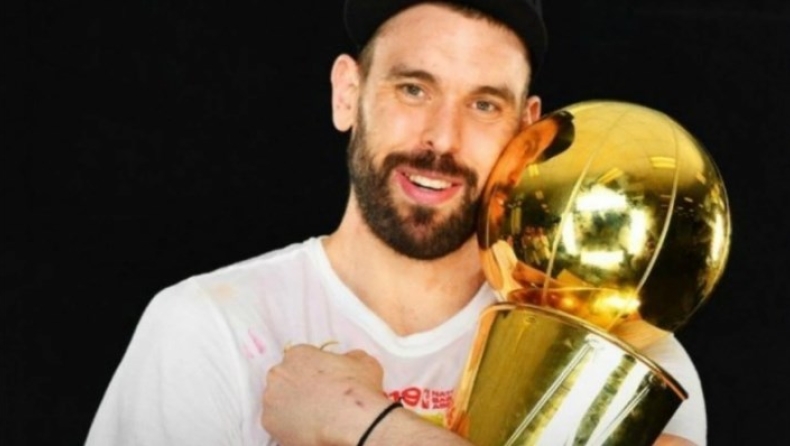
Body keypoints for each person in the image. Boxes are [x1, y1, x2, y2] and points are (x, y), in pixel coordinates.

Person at [84, 1, 707, 445]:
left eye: (484, 104)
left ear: (527, 133)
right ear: (347, 95)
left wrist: (364, 422)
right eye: (413, 89)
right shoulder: (210, 325)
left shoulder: (620, 353)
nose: (442, 138)